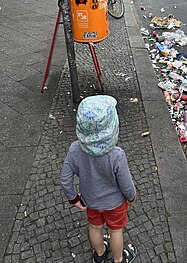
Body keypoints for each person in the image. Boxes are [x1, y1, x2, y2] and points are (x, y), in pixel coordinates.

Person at [60, 95, 137, 263]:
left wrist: (74, 198)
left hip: (91, 202)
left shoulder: (75, 150)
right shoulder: (116, 155)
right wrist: (131, 197)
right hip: (114, 204)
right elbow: (126, 183)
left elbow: (65, 179)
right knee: (115, 231)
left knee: (95, 227)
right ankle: (119, 259)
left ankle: (100, 254)